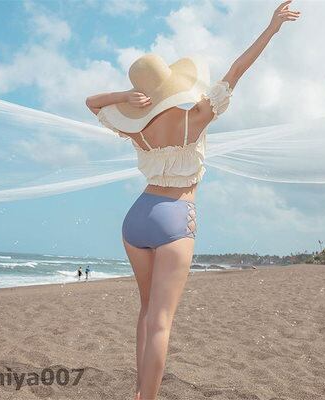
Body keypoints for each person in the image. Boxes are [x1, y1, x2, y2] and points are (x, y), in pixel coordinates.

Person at [85, 2, 300, 398]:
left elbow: (92, 103)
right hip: (175, 216)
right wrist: (272, 28)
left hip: (137, 217)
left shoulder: (137, 131)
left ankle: (139, 390)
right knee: (162, 321)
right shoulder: (198, 116)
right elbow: (237, 70)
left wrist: (126, 97)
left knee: (146, 311)